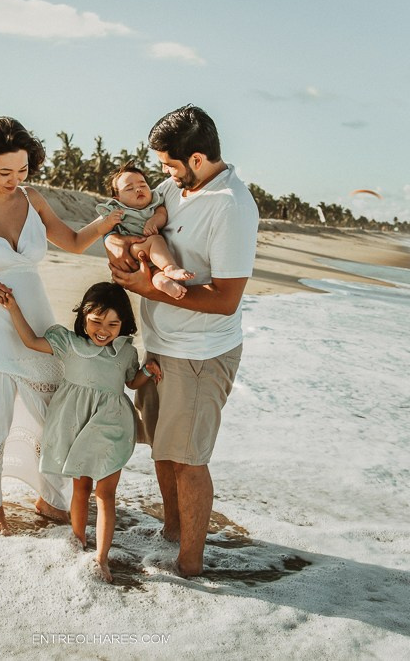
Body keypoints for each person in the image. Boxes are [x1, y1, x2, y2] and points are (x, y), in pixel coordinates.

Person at [0, 116, 123, 535]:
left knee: (53, 411)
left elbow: (71, 242)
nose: (15, 180)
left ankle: (50, 499)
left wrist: (108, 223)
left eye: (22, 171)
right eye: (5, 172)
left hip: (36, 314)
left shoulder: (32, 198)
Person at [106, 105, 259, 576]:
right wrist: (125, 256)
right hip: (161, 345)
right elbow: (135, 227)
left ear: (196, 158)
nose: (163, 175)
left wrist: (146, 288)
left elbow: (226, 299)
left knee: (189, 461)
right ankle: (171, 533)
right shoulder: (177, 188)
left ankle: (190, 566)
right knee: (164, 450)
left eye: (170, 164)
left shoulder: (231, 206)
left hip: (201, 354)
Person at [3, 282, 161, 582]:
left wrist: (148, 372)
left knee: (105, 493)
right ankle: (76, 543)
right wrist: (13, 308)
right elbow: (31, 341)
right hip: (76, 423)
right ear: (84, 316)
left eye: (113, 324)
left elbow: (131, 383)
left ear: (124, 324)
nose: (104, 329)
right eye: (96, 321)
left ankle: (101, 558)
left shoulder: (125, 352)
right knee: (81, 489)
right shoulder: (68, 343)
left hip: (112, 426)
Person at [96, 165, 194, 299]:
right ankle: (171, 267)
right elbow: (100, 230)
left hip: (154, 255)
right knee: (156, 239)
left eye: (143, 185)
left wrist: (154, 221)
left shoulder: (155, 203)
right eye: (129, 188)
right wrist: (109, 223)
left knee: (157, 274)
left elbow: (162, 214)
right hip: (133, 249)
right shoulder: (116, 210)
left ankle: (165, 284)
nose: (138, 189)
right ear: (117, 198)